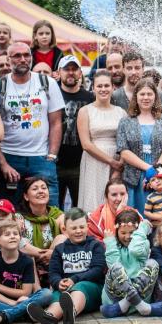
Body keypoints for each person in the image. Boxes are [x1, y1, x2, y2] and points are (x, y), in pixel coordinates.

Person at [0, 42, 65, 206]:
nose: (23, 59)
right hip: (9, 157)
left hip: (41, 157)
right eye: (17, 56)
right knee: (10, 213)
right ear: (8, 60)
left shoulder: (47, 83)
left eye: (26, 55)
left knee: (50, 211)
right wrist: (2, 163)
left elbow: (56, 122)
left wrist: (52, 155)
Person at [26, 208, 106, 324]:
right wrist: (58, 283)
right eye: (73, 228)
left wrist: (74, 279)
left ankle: (72, 312)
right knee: (59, 296)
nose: (78, 231)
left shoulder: (95, 246)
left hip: (91, 288)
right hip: (66, 288)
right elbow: (53, 273)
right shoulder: (59, 249)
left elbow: (98, 270)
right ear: (64, 229)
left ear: (88, 226)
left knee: (80, 287)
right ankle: (49, 317)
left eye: (81, 227)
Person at [116, 79, 162, 214]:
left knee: (160, 216)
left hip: (160, 177)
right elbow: (123, 150)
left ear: (155, 96)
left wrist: (156, 171)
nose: (146, 97)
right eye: (142, 94)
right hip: (134, 178)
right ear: (136, 96)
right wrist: (148, 169)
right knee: (135, 215)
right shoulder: (125, 121)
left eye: (150, 94)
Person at [100, 210, 162, 318]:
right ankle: (143, 308)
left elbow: (135, 250)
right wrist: (109, 241)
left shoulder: (142, 243)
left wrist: (142, 229)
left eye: (132, 232)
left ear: (137, 232)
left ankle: (135, 304)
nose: (128, 236)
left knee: (152, 263)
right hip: (117, 299)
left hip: (140, 293)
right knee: (116, 266)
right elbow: (113, 264)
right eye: (123, 233)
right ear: (117, 231)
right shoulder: (113, 244)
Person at [0, 219, 53, 324]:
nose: (12, 236)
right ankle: (25, 313)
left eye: (15, 233)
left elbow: (26, 292)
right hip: (3, 301)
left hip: (24, 299)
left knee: (46, 294)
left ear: (20, 238)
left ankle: (4, 316)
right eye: (7, 234)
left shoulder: (27, 261)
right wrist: (12, 303)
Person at [76, 71, 127, 213]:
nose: (103, 89)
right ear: (93, 88)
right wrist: (111, 161)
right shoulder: (85, 111)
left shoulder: (121, 112)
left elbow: (125, 142)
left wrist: (118, 166)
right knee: (93, 199)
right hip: (94, 160)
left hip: (118, 160)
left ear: (113, 88)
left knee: (115, 199)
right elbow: (86, 144)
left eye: (106, 85)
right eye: (99, 86)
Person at [55, 55, 94, 210]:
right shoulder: (52, 95)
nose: (70, 73)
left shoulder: (90, 97)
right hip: (55, 163)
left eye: (74, 69)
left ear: (80, 73)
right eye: (66, 69)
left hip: (80, 163)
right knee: (55, 208)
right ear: (59, 72)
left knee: (80, 208)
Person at [16, 177, 65, 285]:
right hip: (28, 264)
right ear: (26, 196)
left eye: (44, 188)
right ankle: (36, 291)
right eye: (35, 189)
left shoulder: (59, 215)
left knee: (62, 238)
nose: (41, 191)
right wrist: (44, 254)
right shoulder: (19, 218)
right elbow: (17, 244)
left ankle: (55, 285)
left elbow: (70, 239)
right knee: (19, 241)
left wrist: (53, 254)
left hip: (53, 262)